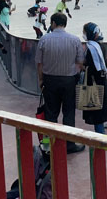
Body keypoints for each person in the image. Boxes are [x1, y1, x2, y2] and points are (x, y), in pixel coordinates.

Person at [36, 13, 86, 154]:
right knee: (69, 113)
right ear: (65, 24)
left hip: (50, 80)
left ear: (53, 23)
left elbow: (39, 63)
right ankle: (69, 144)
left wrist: (41, 79)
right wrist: (74, 74)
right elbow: (80, 62)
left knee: (50, 114)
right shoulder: (75, 40)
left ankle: (48, 146)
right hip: (69, 81)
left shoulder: (44, 40)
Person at [82, 22, 107, 134]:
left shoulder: (91, 48)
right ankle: (100, 135)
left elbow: (91, 67)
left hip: (93, 85)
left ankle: (100, 138)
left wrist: (83, 66)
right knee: (99, 111)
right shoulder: (100, 46)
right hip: (101, 83)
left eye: (84, 32)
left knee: (96, 112)